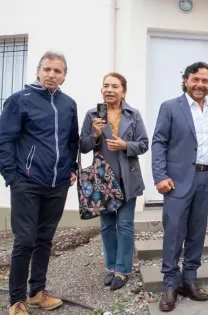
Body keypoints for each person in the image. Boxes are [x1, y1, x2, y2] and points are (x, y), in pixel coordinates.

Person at [0, 51, 79, 315]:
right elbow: (1, 142)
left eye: (58, 71)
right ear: (38, 71)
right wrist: (13, 178)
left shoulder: (69, 104)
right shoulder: (19, 101)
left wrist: (71, 169)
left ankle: (37, 293)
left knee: (45, 239)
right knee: (25, 240)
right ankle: (16, 300)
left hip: (58, 184)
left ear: (64, 76)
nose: (52, 75)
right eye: (48, 70)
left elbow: (71, 141)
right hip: (27, 183)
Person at [152, 61, 208, 312]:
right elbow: (159, 142)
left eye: (205, 81)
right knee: (174, 234)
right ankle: (170, 285)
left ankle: (189, 280)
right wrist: (159, 175)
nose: (200, 84)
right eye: (196, 79)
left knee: (197, 232)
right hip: (177, 180)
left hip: (206, 178)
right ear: (185, 80)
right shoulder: (170, 107)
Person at [79, 72, 149, 291]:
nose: (109, 90)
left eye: (114, 86)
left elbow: (144, 144)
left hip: (127, 178)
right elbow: (82, 146)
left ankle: (123, 269)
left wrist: (126, 146)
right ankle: (111, 267)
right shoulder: (93, 114)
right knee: (107, 226)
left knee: (125, 225)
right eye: (105, 86)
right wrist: (96, 135)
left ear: (123, 91)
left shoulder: (133, 114)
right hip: (103, 181)